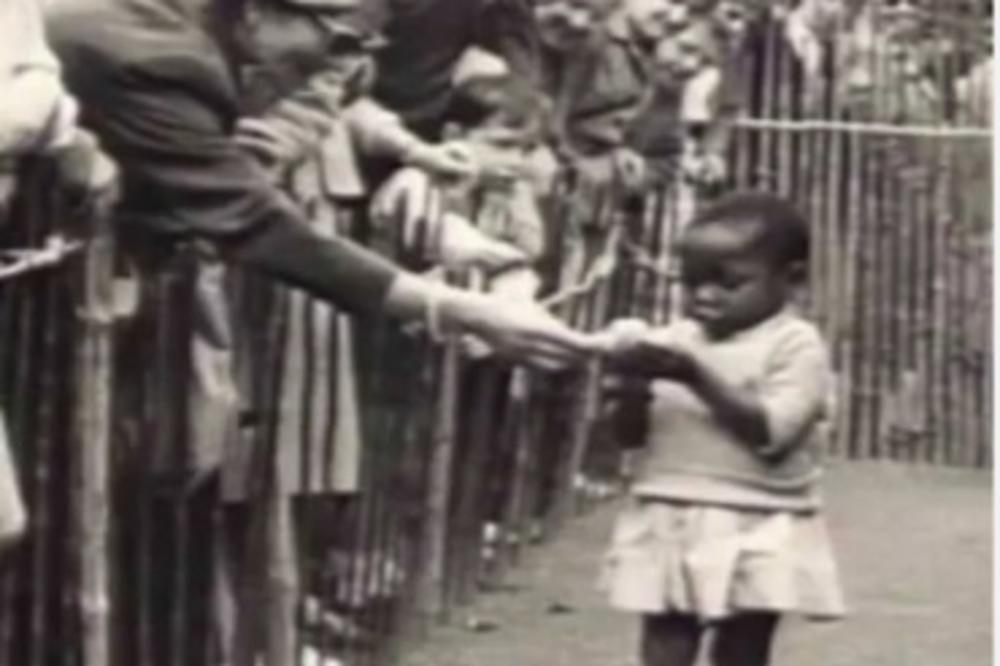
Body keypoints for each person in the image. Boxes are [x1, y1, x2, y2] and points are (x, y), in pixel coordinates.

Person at [44, 0, 598, 371]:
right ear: (255, 13)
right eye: (339, 41)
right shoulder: (157, 61)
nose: (345, 68)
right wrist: (459, 310)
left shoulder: (181, 32)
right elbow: (256, 224)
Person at [597, 191, 845, 666]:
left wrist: (695, 375)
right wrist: (631, 386)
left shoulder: (795, 346)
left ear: (791, 279)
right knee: (666, 635)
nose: (705, 296)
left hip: (759, 514)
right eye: (691, 283)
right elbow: (629, 438)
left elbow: (772, 433)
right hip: (670, 506)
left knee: (743, 644)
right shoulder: (672, 341)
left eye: (729, 283)